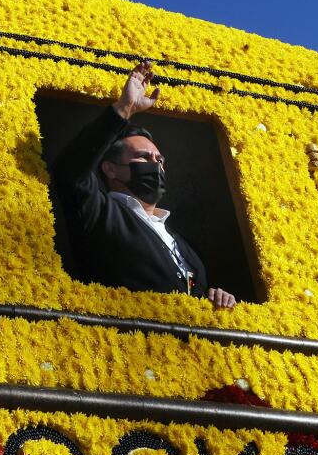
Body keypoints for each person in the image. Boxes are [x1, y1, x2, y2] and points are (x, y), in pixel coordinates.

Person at [49, 61, 237, 308]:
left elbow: (193, 295)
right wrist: (123, 109)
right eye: (143, 157)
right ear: (110, 169)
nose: (155, 165)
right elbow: (70, 169)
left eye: (159, 159)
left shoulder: (179, 240)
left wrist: (217, 300)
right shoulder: (99, 213)